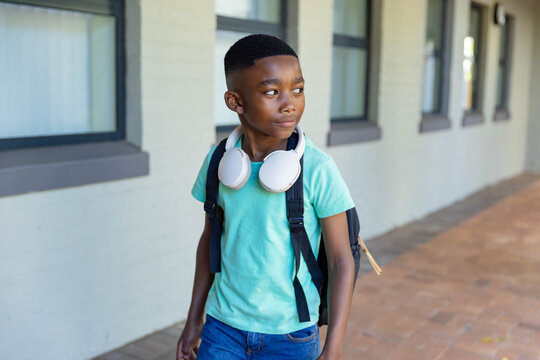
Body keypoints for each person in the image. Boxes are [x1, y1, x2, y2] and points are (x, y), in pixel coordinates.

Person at [177, 34, 355, 360]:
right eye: (272, 92)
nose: (290, 103)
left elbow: (342, 261)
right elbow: (210, 240)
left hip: (292, 335)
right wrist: (193, 320)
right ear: (236, 102)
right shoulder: (219, 162)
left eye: (298, 89)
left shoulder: (317, 169)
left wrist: (334, 347)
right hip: (222, 328)